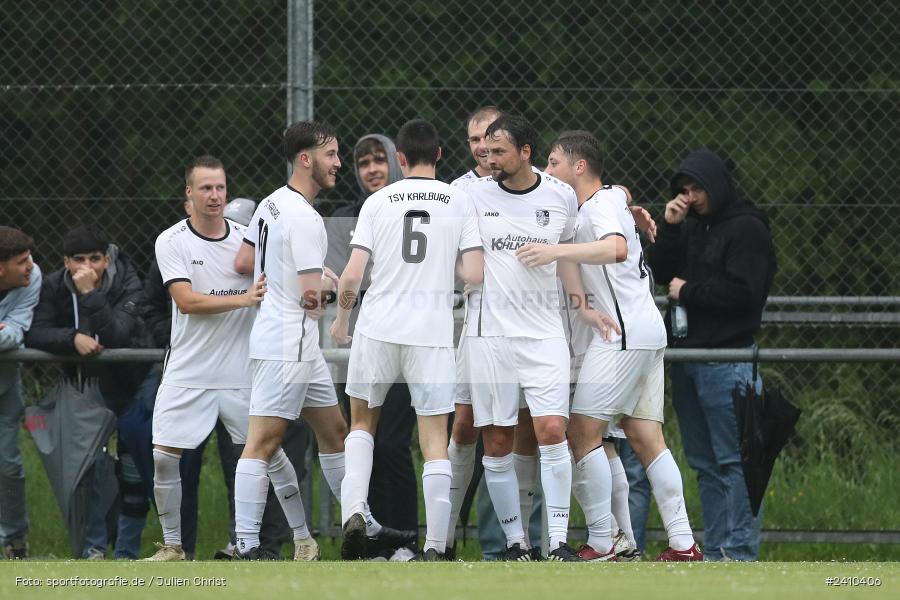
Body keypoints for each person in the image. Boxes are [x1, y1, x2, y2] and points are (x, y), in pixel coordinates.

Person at [528, 130, 701, 561]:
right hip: (645, 330)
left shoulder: (600, 204)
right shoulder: (605, 199)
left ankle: (603, 541)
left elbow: (618, 248)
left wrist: (556, 251)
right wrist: (628, 203)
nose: (548, 170)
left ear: (579, 166)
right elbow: (618, 195)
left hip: (621, 334)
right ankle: (683, 543)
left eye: (554, 162)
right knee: (646, 437)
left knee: (581, 432)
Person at [462, 114, 613, 561]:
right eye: (485, 150)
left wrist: (581, 305)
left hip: (545, 333)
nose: (488, 158)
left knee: (551, 430)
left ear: (525, 152)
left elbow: (568, 254)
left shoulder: (559, 195)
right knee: (498, 440)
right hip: (491, 336)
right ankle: (515, 543)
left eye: (499, 151)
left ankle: (558, 542)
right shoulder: (471, 194)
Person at [332, 118, 483, 561]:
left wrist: (342, 321)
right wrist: (444, 263)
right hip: (430, 333)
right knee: (434, 440)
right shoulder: (459, 200)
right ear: (439, 155)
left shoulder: (378, 201)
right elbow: (474, 274)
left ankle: (354, 511)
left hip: (377, 326)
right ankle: (435, 545)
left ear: (399, 158)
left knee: (363, 424)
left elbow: (353, 274)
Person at [644, 149, 776, 561]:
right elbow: (658, 272)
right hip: (689, 360)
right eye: (684, 189)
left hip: (728, 360)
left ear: (717, 186)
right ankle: (717, 551)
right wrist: (669, 227)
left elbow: (745, 294)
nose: (691, 197)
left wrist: (689, 291)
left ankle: (739, 551)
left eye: (697, 188)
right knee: (705, 463)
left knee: (736, 462)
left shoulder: (747, 229)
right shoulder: (692, 228)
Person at [231, 121, 350, 561]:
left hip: (294, 344)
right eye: (331, 154)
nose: (338, 163)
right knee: (262, 443)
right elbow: (312, 300)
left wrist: (280, 277)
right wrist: (333, 285)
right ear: (305, 159)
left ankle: (360, 525)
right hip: (288, 343)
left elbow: (244, 260)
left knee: (335, 432)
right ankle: (246, 544)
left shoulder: (271, 202)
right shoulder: (304, 216)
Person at [142, 156, 267, 561]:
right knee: (164, 457)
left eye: (220, 188)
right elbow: (186, 301)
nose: (215, 196)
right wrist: (243, 299)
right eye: (206, 188)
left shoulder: (249, 240)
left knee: (267, 455)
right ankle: (173, 546)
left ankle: (283, 542)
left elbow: (286, 274)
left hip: (239, 373)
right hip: (187, 371)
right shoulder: (171, 240)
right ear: (189, 193)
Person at [25, 224, 151, 559]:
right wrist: (71, 338)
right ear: (66, 262)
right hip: (84, 390)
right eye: (78, 259)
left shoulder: (128, 281)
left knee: (134, 471)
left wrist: (91, 295)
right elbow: (34, 332)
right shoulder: (53, 285)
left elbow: (119, 335)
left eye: (95, 258)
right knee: (88, 468)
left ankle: (127, 551)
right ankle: (93, 548)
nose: (87, 266)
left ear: (106, 259)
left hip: (131, 385)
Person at [325, 134, 420, 539]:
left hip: (408, 339)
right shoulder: (346, 218)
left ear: (395, 163)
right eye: (363, 163)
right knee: (364, 439)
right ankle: (370, 533)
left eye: (379, 160)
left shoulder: (419, 209)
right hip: (360, 341)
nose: (372, 170)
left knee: (393, 442)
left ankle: (405, 538)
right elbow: (340, 279)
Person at [0, 227, 41, 560]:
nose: (30, 265)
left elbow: (15, 333)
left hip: (5, 386)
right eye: (21, 261)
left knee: (8, 465)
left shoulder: (33, 276)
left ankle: (14, 542)